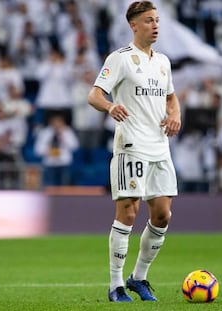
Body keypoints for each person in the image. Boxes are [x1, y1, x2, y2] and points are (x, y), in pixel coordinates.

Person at [87, 1, 181, 303]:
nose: (155, 25)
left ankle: (138, 278)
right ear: (134, 25)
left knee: (163, 215)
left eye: (157, 20)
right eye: (149, 21)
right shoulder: (120, 59)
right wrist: (110, 105)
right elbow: (94, 94)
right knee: (128, 212)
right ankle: (115, 285)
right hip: (131, 146)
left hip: (159, 147)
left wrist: (175, 114)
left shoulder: (163, 62)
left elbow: (171, 97)